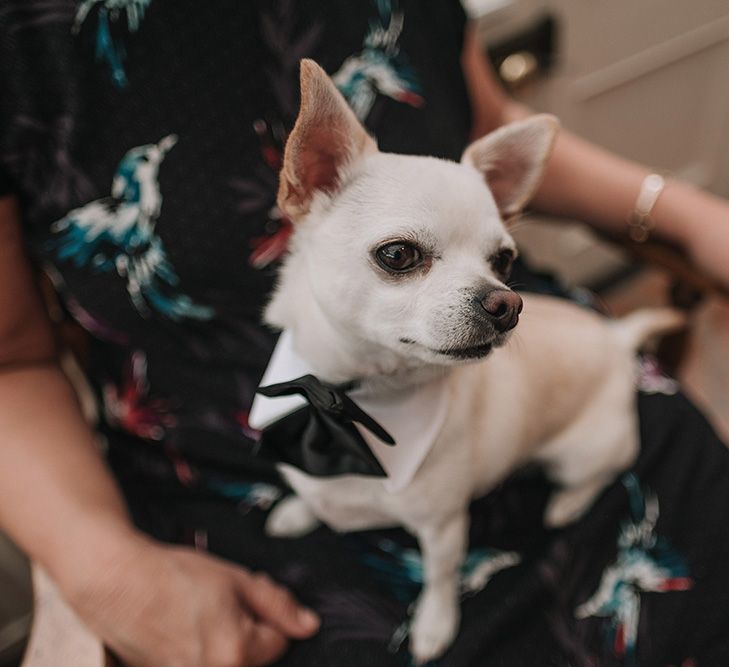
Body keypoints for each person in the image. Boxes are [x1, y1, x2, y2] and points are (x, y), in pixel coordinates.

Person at [1, 1, 728, 665]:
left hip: (543, 410)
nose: (498, 295)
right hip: (191, 447)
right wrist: (111, 573)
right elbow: (12, 358)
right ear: (308, 184)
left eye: (496, 260)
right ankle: (314, 494)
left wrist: (690, 216)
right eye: (401, 256)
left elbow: (485, 120)